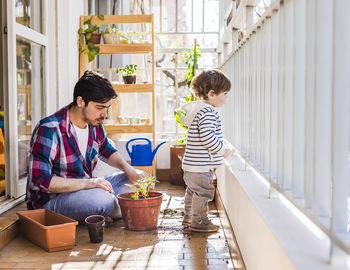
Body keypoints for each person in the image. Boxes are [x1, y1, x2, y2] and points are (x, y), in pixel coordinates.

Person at [25, 70, 144, 222]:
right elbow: (39, 180)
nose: (104, 115)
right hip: (51, 201)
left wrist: (130, 170)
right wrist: (89, 183)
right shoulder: (49, 129)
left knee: (139, 181)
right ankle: (111, 208)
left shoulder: (94, 123)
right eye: (100, 108)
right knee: (105, 201)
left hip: (86, 187)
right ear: (81, 101)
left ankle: (107, 210)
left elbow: (106, 150)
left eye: (107, 108)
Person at [176, 69, 232, 232]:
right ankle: (199, 221)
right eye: (225, 93)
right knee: (202, 193)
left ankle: (188, 218)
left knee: (192, 192)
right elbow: (208, 137)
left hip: (191, 165)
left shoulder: (196, 110)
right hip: (201, 167)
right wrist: (223, 150)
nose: (227, 98)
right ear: (212, 94)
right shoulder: (208, 112)